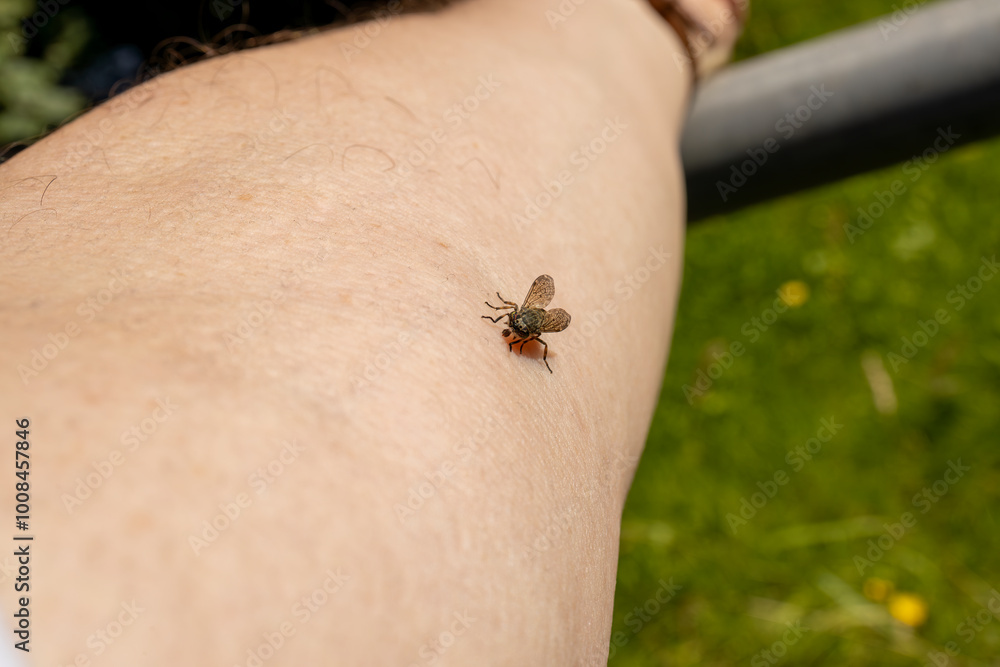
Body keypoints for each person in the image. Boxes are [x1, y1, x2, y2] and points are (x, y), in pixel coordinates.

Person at [0, 0, 744, 663]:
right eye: (520, 327)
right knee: (584, 45)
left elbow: (540, 312)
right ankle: (633, 26)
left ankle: (615, 25)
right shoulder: (517, 313)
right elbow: (525, 304)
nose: (517, 329)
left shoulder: (533, 323)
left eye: (521, 330)